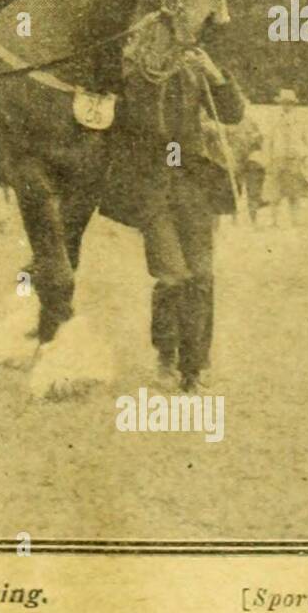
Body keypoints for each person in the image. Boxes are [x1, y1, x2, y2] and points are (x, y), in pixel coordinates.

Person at [107, 45, 244, 391]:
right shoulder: (137, 67)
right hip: (153, 190)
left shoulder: (198, 62)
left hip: (194, 190)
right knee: (172, 276)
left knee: (201, 275)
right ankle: (166, 353)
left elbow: (232, 113)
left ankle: (194, 368)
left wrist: (213, 72)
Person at [264, 88, 308, 227]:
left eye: (289, 103)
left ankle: (295, 220)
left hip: (294, 160)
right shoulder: (273, 119)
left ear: (294, 104)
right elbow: (268, 140)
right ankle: (274, 221)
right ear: (280, 104)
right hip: (278, 159)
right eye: (284, 103)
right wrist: (268, 159)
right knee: (275, 192)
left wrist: (304, 156)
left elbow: (306, 141)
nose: (287, 105)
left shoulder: (300, 121)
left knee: (295, 192)